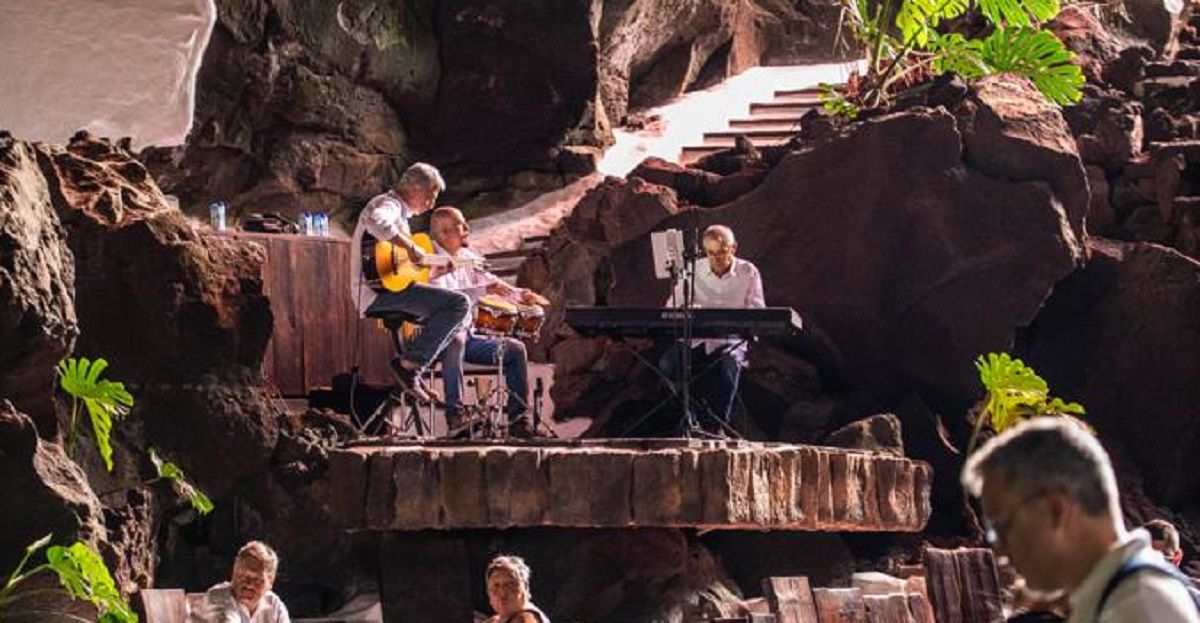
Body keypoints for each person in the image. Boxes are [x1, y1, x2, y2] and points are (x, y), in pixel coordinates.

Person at [962, 418, 1200, 623]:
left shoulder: (1136, 608)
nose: (999, 550)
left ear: (1056, 510)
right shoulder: (1114, 600)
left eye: (1003, 527)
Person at [349, 163, 471, 402]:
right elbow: (377, 222)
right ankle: (410, 365)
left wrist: (438, 270)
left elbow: (401, 274)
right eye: (430, 196)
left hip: (389, 290)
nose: (431, 204)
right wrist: (412, 247)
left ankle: (413, 367)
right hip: (377, 294)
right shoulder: (388, 205)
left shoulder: (401, 217)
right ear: (415, 188)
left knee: (457, 316)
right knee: (459, 305)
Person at [427, 207, 548, 436]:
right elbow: (445, 299)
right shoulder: (429, 259)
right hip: (437, 340)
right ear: (443, 233)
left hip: (468, 337)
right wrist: (483, 289)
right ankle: (456, 415)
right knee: (456, 337)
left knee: (515, 349)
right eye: (461, 225)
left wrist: (522, 294)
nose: (467, 230)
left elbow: (494, 284)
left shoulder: (469, 258)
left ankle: (518, 421)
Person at [658, 224, 764, 431]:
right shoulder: (692, 269)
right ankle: (691, 420)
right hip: (695, 340)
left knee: (726, 366)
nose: (716, 258)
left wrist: (741, 326)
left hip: (729, 343)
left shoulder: (748, 271)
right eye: (710, 253)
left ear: (733, 248)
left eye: (722, 252)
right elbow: (671, 306)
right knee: (669, 363)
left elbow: (757, 312)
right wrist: (687, 309)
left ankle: (716, 427)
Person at [191, 541, 290, 623]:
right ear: (233, 573)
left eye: (255, 579)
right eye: (241, 576)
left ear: (270, 582)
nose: (247, 583)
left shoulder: (274, 604)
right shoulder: (217, 597)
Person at [484, 555, 549, 623]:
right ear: (489, 594)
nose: (502, 592)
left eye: (510, 585)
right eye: (496, 585)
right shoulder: (497, 620)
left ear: (526, 588)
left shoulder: (525, 618)